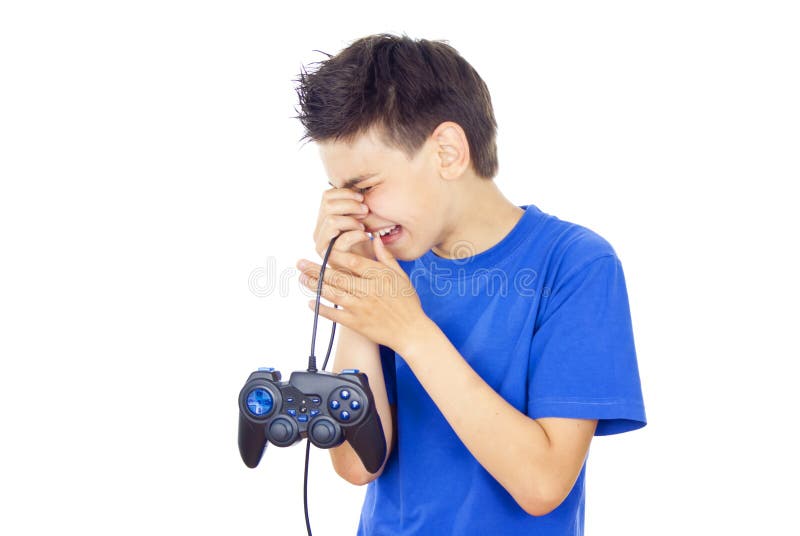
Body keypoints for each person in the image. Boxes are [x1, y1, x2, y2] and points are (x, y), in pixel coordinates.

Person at [293, 33, 646, 536]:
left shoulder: (574, 265)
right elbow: (357, 466)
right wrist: (356, 289)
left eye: (366, 187)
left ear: (448, 152)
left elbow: (543, 484)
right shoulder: (393, 266)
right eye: (340, 193)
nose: (357, 211)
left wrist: (411, 332)